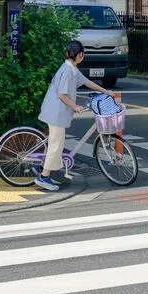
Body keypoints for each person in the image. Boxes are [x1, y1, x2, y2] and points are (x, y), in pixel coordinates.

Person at [34, 40, 114, 191]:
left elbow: (87, 82)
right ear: (81, 55)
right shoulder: (67, 71)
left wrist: (105, 91)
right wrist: (75, 106)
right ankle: (43, 177)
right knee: (56, 145)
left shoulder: (71, 69)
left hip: (54, 111)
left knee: (53, 142)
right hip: (55, 113)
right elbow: (62, 95)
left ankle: (41, 168)